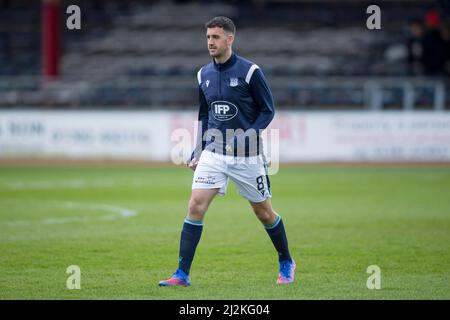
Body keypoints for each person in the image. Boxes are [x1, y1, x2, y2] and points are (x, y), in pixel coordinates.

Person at [158, 16, 296, 287]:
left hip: (248, 156)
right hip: (214, 152)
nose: (211, 42)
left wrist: (247, 136)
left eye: (216, 37)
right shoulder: (203, 74)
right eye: (208, 37)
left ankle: (286, 261)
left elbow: (268, 110)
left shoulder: (250, 72)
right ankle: (181, 274)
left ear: (230, 39)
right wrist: (198, 149)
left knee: (264, 213)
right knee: (195, 205)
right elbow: (205, 114)